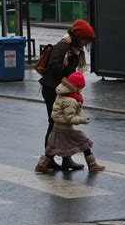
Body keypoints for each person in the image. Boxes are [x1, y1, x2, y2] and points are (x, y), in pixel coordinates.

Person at [38, 19, 95, 171]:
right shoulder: (63, 45)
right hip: (52, 89)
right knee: (56, 123)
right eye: (84, 40)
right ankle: (47, 160)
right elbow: (54, 65)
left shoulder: (73, 48)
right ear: (78, 36)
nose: (85, 43)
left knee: (65, 124)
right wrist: (71, 72)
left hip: (64, 89)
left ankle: (66, 159)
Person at [35, 71, 105, 173]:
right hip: (65, 129)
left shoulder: (62, 94)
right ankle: (92, 164)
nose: (80, 91)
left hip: (58, 128)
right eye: (80, 88)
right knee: (84, 141)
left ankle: (41, 165)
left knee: (52, 148)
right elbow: (70, 118)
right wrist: (82, 120)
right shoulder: (70, 100)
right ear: (75, 87)